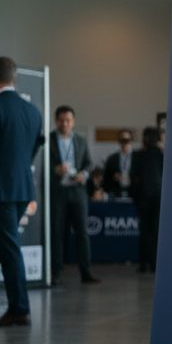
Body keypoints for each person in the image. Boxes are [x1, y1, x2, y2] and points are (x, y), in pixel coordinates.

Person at [0, 57, 44, 327]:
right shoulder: (33, 111)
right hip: (22, 188)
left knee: (9, 249)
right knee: (7, 246)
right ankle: (19, 305)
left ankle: (19, 307)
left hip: (3, 192)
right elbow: (33, 149)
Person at [49, 105, 98, 284]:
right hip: (58, 192)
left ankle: (86, 271)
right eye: (61, 120)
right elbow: (42, 164)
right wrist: (54, 169)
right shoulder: (49, 140)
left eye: (68, 120)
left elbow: (88, 163)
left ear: (73, 122)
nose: (65, 123)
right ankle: (54, 271)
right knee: (57, 232)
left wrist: (83, 175)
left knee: (82, 233)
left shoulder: (81, 140)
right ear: (56, 121)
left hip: (78, 192)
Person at [130, 127, 164, 273]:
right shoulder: (162, 155)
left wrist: (135, 196)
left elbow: (133, 177)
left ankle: (144, 263)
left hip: (143, 198)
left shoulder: (138, 155)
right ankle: (155, 264)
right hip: (158, 198)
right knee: (156, 231)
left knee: (144, 231)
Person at [104, 130, 134, 198]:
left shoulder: (138, 158)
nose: (124, 143)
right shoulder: (112, 159)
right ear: (119, 141)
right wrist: (113, 177)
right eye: (121, 140)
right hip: (116, 194)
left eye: (126, 140)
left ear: (131, 141)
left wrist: (130, 177)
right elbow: (106, 179)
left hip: (134, 195)